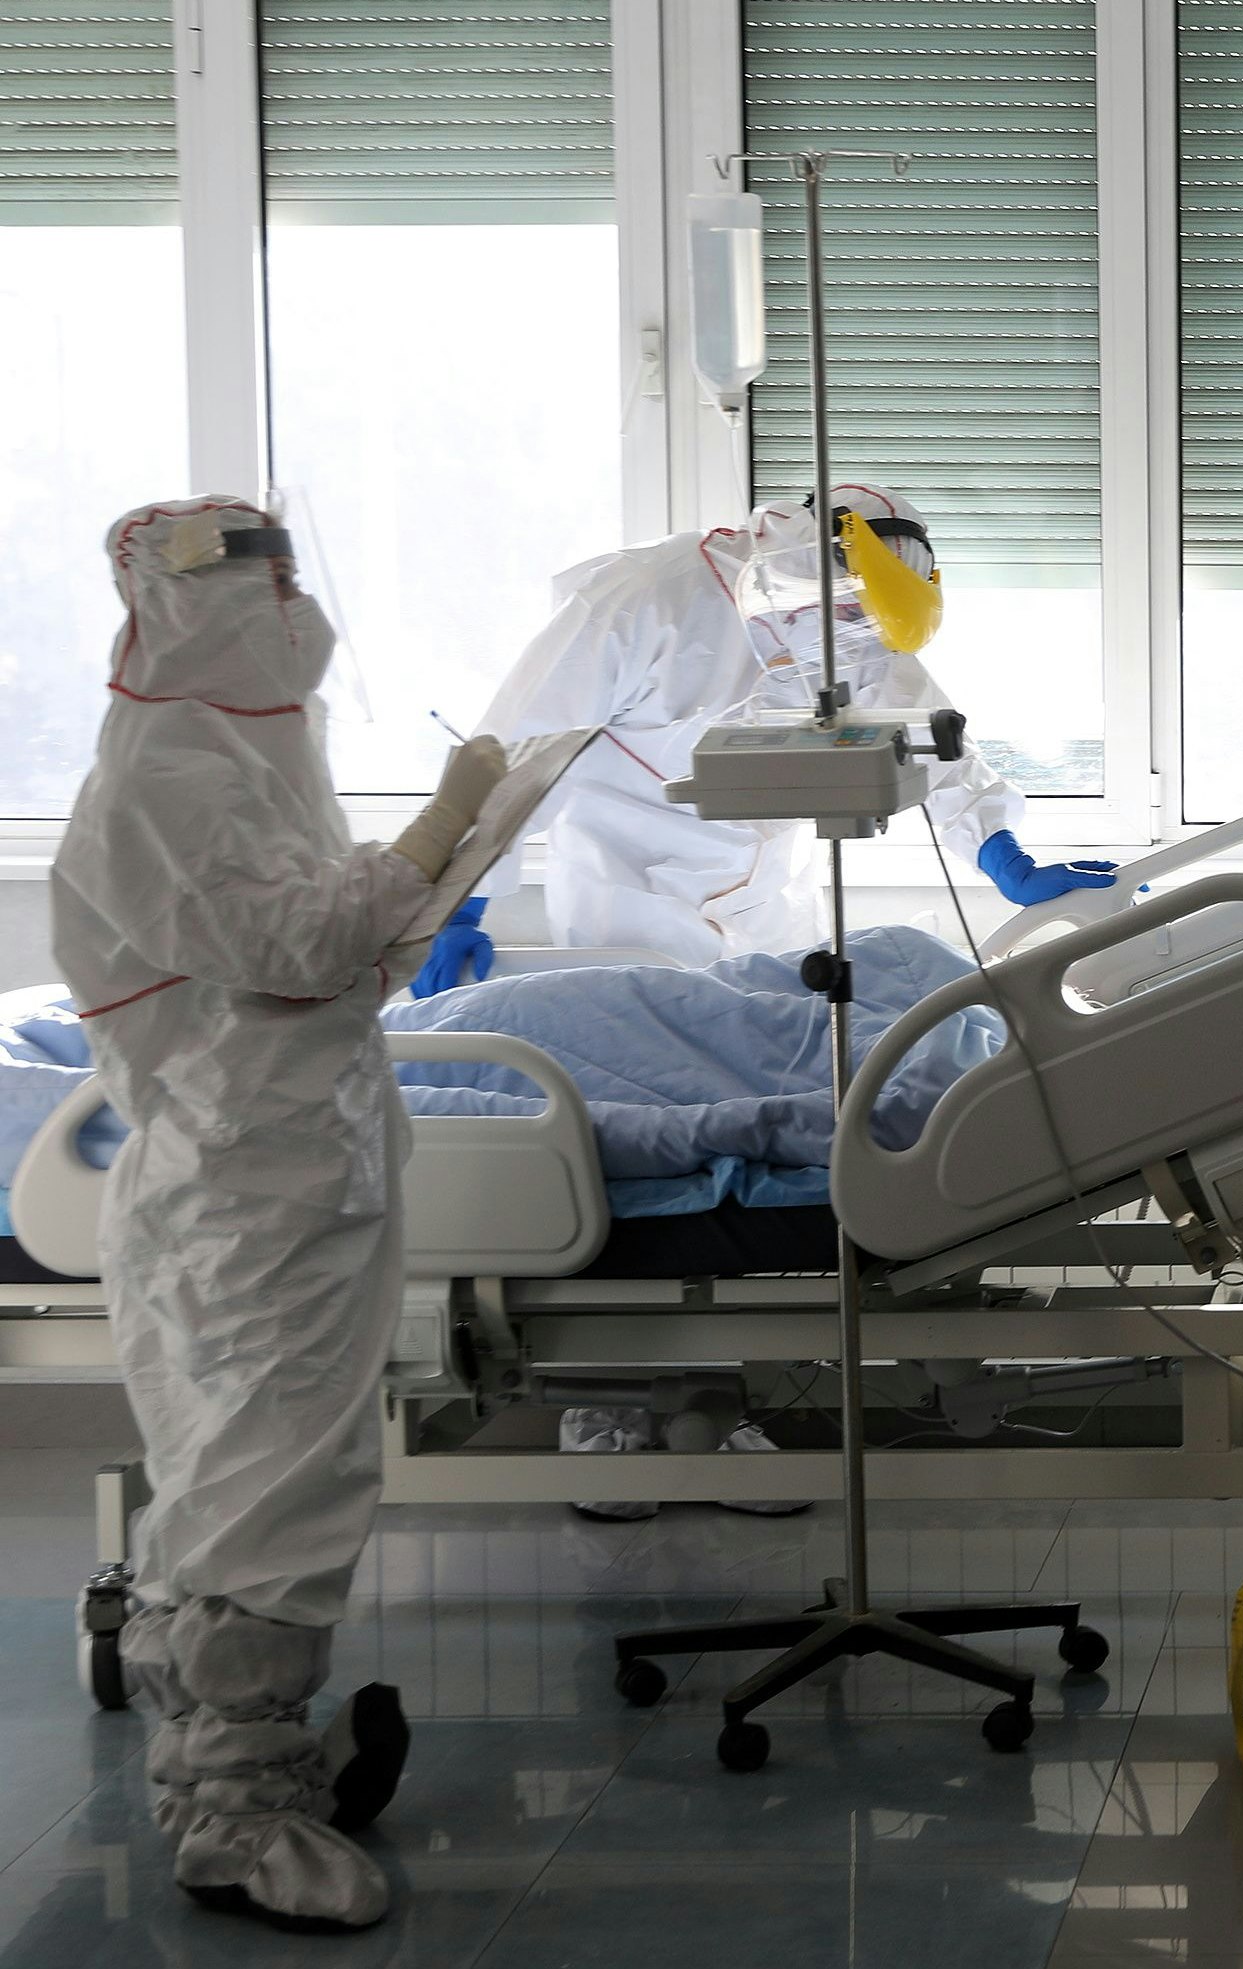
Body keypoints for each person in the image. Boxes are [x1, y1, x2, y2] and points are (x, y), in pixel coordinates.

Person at [52, 498, 502, 1932]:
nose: (291, 601)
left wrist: (431, 869)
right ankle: (234, 1826)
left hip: (287, 1173)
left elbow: (310, 937)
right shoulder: (166, 771)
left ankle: (243, 1770)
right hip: (242, 1201)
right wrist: (441, 823)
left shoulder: (244, 747)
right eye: (258, 581)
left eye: (291, 570)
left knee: (239, 1499)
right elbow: (299, 940)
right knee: (271, 1512)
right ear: (174, 605)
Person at [410, 482, 1112, 989]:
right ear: (813, 565)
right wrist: (460, 901)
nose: (857, 642)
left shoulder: (857, 633)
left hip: (771, 905)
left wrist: (1003, 854)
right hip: (627, 900)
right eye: (850, 615)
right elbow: (517, 749)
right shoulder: (645, 599)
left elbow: (933, 744)